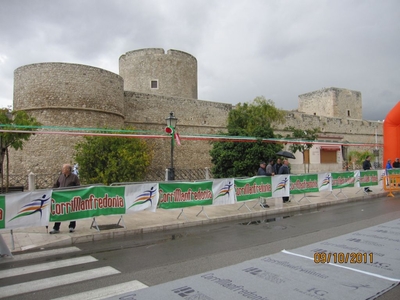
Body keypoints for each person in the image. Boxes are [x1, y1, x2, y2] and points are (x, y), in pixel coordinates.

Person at [50, 164, 81, 234]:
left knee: (72, 212)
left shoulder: (74, 177)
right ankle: (56, 227)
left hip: (70, 198)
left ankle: (72, 226)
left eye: (64, 169)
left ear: (68, 170)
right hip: (61, 198)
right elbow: (56, 185)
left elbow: (78, 186)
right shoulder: (61, 177)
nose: (62, 170)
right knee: (59, 212)